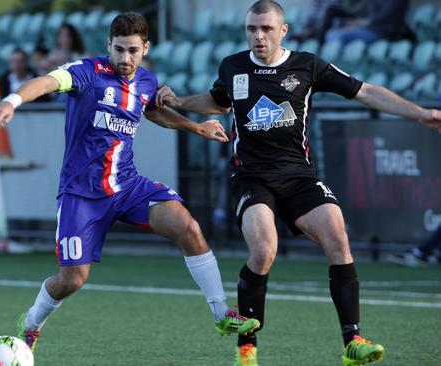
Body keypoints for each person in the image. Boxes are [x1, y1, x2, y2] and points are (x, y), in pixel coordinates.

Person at [155, 1, 441, 365]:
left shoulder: (308, 65)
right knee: (263, 251)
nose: (258, 36)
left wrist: (420, 114)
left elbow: (365, 91)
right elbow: (217, 102)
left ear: (283, 30)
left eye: (266, 29)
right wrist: (178, 101)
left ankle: (352, 341)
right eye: (252, 29)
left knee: (338, 236)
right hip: (251, 177)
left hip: (299, 176)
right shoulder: (233, 66)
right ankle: (247, 348)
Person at [0, 11, 261, 355]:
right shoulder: (87, 72)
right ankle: (30, 325)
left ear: (145, 47)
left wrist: (196, 127)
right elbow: (46, 82)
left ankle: (221, 313)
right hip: (81, 194)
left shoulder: (147, 81)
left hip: (127, 186)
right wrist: (12, 101)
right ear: (108, 45)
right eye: (118, 50)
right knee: (72, 280)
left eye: (132, 50)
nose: (125, 58)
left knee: (187, 227)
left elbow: (153, 111)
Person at [325, 0, 410, 43]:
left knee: (342, 35)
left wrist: (362, 22)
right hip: (369, 28)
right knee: (331, 33)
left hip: (382, 31)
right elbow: (366, 15)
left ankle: (339, 69)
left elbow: (384, 17)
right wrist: (354, 23)